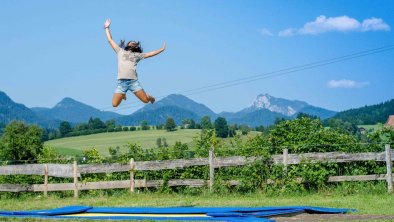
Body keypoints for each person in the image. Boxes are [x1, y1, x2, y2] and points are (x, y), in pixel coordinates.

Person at [104, 19, 166, 107]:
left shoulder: (137, 55)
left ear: (136, 47)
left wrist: (161, 49)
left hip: (133, 82)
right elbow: (110, 40)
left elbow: (150, 54)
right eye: (131, 42)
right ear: (128, 45)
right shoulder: (120, 51)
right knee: (114, 104)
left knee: (145, 101)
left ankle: (150, 97)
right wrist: (107, 27)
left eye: (135, 44)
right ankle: (123, 95)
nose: (133, 43)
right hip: (121, 83)